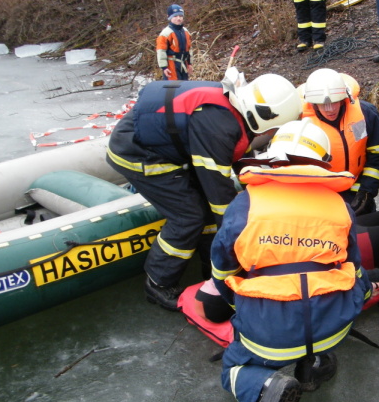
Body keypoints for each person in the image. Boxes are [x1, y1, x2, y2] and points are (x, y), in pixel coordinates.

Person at [210, 119, 379, 402]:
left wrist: (240, 304)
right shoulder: (338, 207)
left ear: (274, 157)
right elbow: (353, 270)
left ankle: (267, 384)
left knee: (233, 368)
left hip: (272, 334)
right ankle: (313, 367)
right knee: (326, 290)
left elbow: (222, 269)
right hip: (333, 326)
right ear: (322, 163)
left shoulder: (245, 205)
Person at [106, 73, 303, 311]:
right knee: (189, 215)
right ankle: (158, 282)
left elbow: (238, 157)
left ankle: (210, 268)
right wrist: (236, 233)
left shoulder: (235, 109)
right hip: (138, 153)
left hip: (169, 148)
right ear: (266, 116)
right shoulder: (218, 126)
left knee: (208, 215)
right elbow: (219, 195)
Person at [300, 68, 379, 215]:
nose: (330, 109)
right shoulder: (300, 124)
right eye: (322, 104)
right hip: (320, 196)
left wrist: (367, 191)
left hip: (358, 191)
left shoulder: (366, 114)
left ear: (343, 98)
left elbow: (377, 156)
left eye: (334, 102)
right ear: (312, 103)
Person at [156, 4, 192, 80]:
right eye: (175, 16)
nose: (178, 18)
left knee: (184, 87)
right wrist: (164, 67)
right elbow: (161, 51)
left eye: (180, 16)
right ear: (170, 17)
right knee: (173, 88)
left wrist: (189, 63)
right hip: (171, 65)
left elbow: (189, 49)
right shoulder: (165, 33)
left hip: (183, 64)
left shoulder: (186, 31)